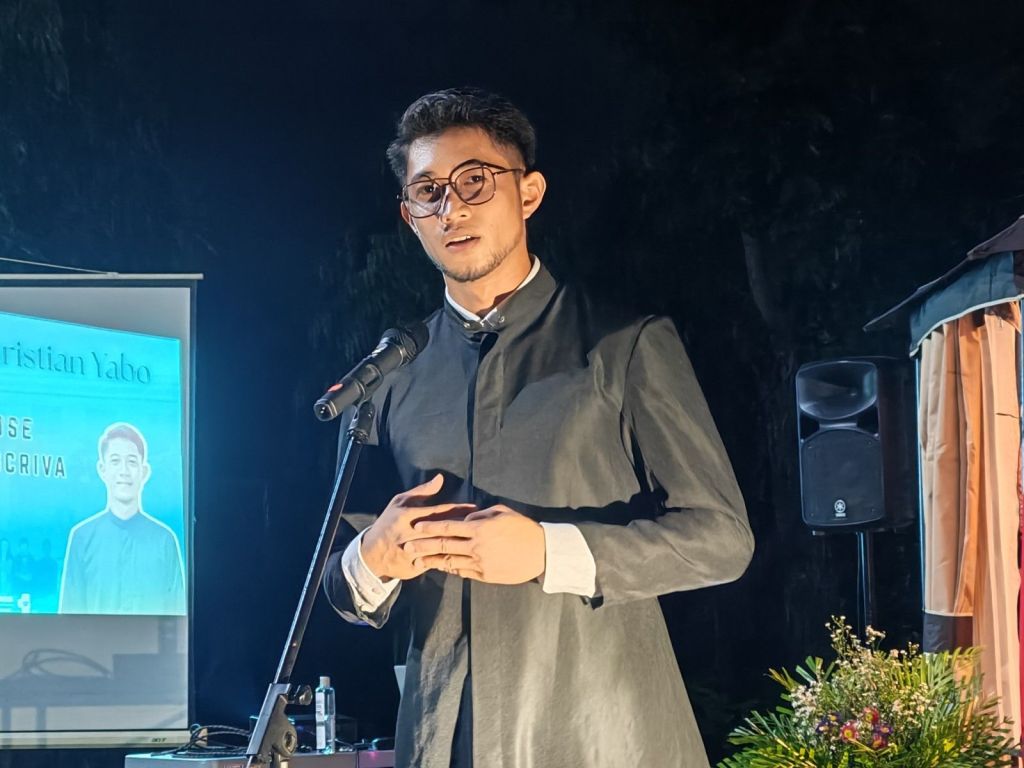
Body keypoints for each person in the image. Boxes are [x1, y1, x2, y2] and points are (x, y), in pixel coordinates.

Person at [322, 88, 754, 768]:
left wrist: (550, 551)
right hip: (445, 736)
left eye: (474, 181)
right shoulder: (390, 374)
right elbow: (342, 581)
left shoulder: (623, 345)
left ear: (528, 193)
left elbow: (723, 540)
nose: (452, 208)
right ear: (410, 217)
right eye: (429, 192)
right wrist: (370, 560)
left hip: (603, 732)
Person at [59, 422, 185, 615]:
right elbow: (68, 618)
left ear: (144, 472)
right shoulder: (82, 537)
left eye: (132, 462)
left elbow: (178, 617)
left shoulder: (164, 541)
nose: (124, 471)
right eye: (115, 461)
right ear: (102, 469)